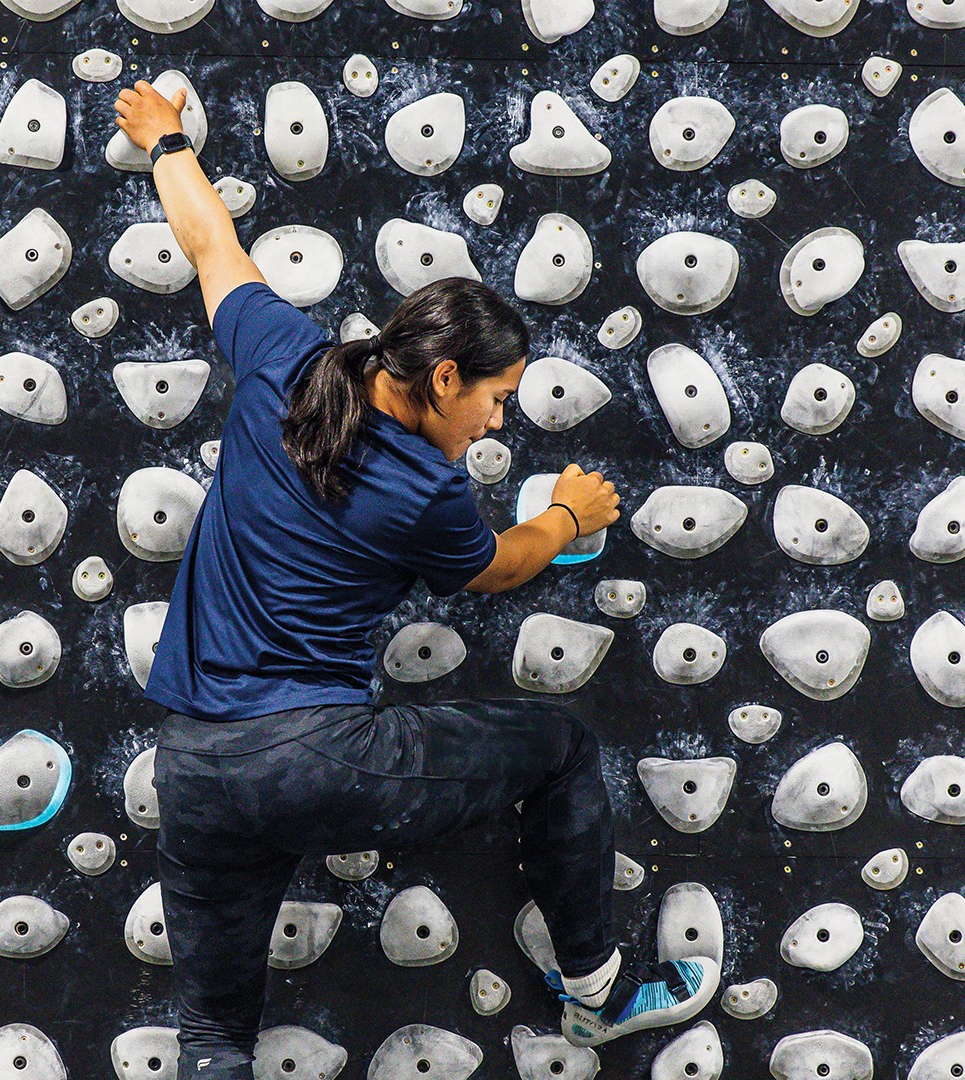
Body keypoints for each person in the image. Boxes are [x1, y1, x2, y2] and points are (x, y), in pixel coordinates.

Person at [112, 80, 719, 1078]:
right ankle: (599, 996)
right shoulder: (424, 492)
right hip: (315, 756)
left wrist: (165, 140)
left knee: (215, 1038)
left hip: (191, 768)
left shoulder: (283, 360)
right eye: (496, 399)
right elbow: (497, 569)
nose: (497, 422)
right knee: (562, 750)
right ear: (443, 378)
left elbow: (211, 245)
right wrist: (569, 515)